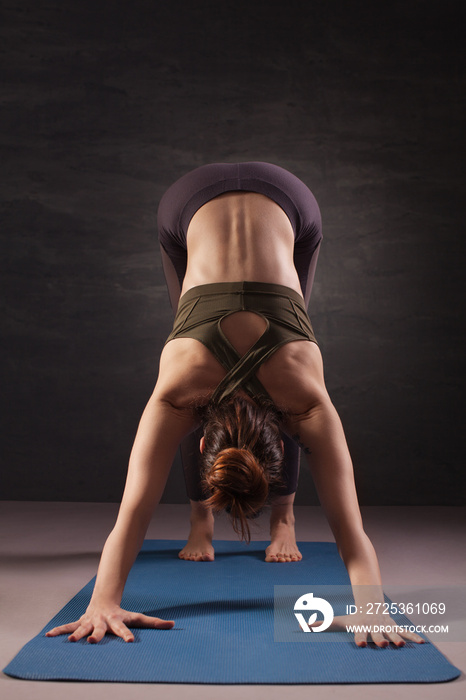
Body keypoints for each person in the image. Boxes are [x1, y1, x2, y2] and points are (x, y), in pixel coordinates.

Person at [46, 162, 425, 648]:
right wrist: (371, 609)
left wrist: (103, 604)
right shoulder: (179, 393)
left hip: (272, 198)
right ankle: (275, 521)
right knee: (192, 314)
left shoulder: (304, 403)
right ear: (204, 440)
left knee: (199, 306)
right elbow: (350, 532)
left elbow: (133, 511)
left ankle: (219, 523)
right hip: (197, 200)